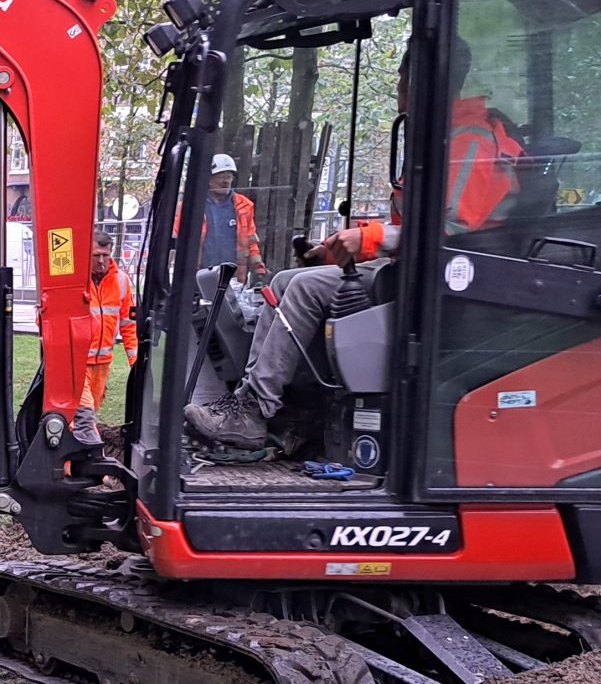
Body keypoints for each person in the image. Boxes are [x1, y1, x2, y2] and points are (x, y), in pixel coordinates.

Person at [187, 45, 522, 456]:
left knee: (307, 290)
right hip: (418, 268)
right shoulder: (442, 136)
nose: (399, 90)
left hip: (450, 281)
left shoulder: (468, 142)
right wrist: (332, 253)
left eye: (402, 80)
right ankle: (276, 407)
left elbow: (449, 231)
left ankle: (255, 410)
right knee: (287, 280)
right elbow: (409, 228)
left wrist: (369, 239)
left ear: (419, 83)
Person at [81, 229, 137, 420]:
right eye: (96, 256)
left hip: (102, 364)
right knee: (84, 414)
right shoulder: (77, 281)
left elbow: (129, 325)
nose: (101, 261)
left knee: (91, 411)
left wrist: (135, 363)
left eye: (105, 255)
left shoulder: (121, 281)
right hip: (79, 362)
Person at [199, 154, 263, 283]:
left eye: (228, 177)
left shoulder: (244, 206)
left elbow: (251, 241)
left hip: (233, 275)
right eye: (221, 176)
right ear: (209, 179)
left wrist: (259, 270)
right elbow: (178, 241)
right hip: (200, 273)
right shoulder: (194, 205)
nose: (225, 181)